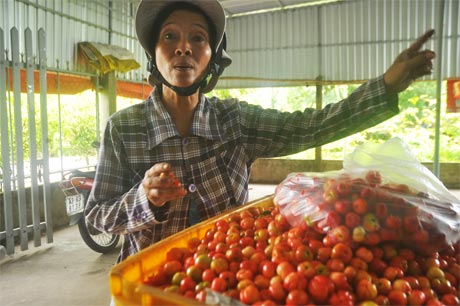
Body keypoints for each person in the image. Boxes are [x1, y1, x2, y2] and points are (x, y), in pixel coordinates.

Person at [85, 0, 435, 263]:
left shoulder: (234, 121)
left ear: (212, 56)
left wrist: (385, 88)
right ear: (153, 52)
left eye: (198, 37)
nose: (183, 47)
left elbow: (312, 126)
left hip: (226, 279)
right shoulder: (124, 128)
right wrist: (145, 199)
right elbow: (98, 216)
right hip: (147, 281)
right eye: (169, 36)